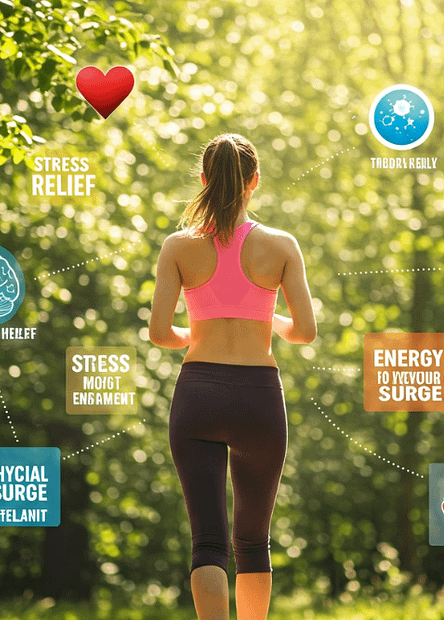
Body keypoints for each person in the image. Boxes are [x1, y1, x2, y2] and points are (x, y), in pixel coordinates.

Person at [149, 133, 317, 620]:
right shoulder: (281, 246)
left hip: (197, 394)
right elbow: (305, 332)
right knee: (252, 541)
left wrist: (194, 334)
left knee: (207, 540)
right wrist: (267, 322)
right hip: (258, 398)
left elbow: (160, 333)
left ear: (203, 180)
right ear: (254, 182)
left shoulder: (179, 246)